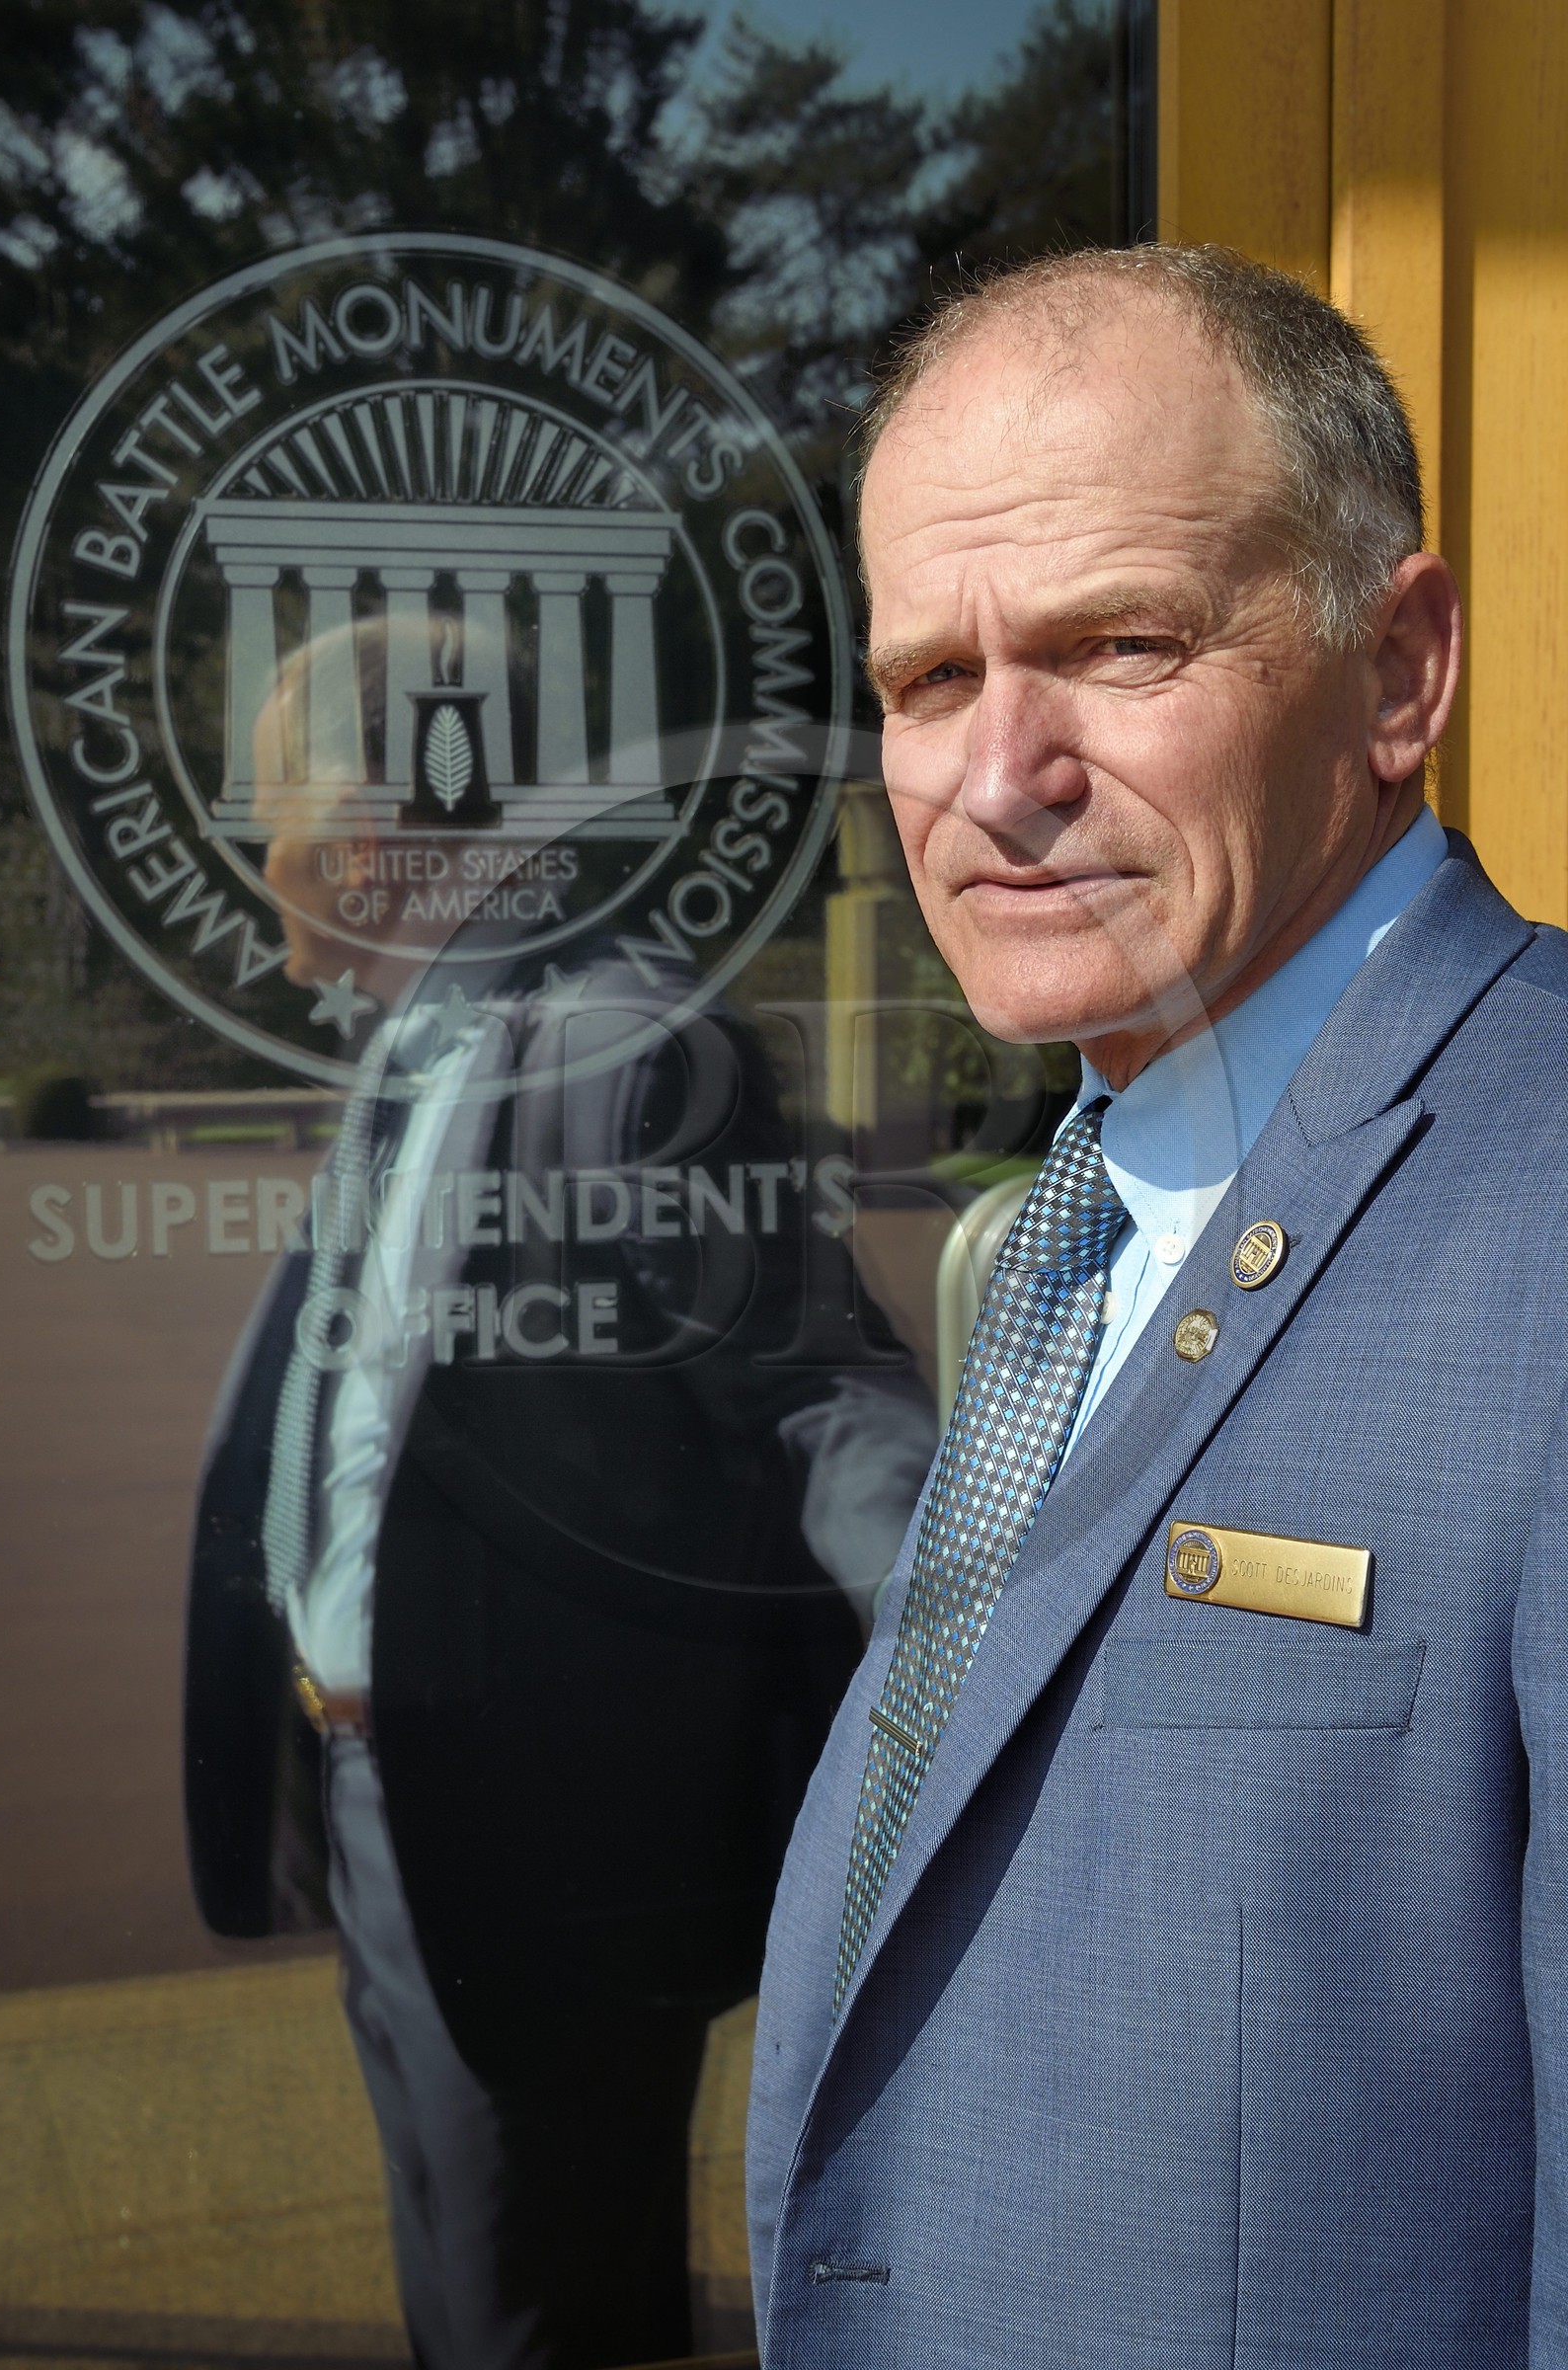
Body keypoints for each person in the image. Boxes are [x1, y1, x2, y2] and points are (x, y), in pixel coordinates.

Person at [747, 241, 1568, 2367]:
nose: (997, 774)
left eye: (1118, 645)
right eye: (931, 679)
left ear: (1400, 670)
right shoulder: (1083, 1219)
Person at [185, 623, 937, 2369]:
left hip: (536, 1850)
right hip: (388, 1810)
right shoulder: (416, 1047)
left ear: (364, 840)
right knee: (466, 2293)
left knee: (532, 2316)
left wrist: (974, 1635)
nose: (259, 862)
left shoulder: (621, 1046)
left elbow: (817, 1388)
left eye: (269, 821)